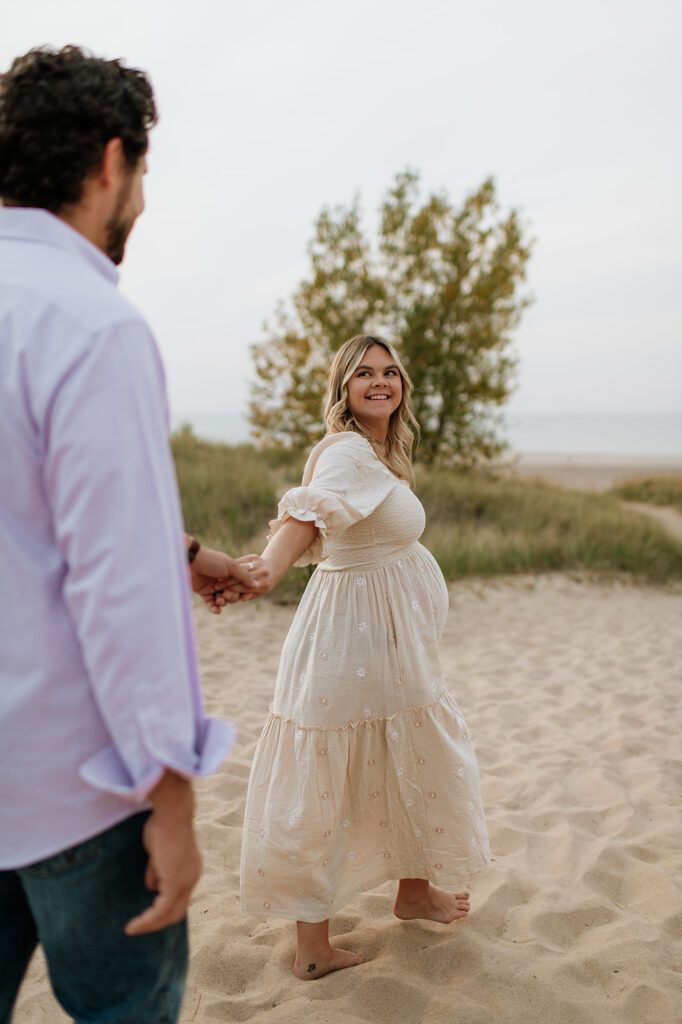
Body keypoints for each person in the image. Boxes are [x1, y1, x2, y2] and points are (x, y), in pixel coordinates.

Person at [0, 45, 266, 1022]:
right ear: (109, 162)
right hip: (70, 788)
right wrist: (171, 797)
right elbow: (114, 592)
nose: (142, 200)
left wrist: (184, 555)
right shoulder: (89, 326)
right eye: (143, 173)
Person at [236, 334, 490, 980]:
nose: (380, 382)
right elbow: (307, 520)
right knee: (328, 777)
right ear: (343, 390)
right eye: (363, 374)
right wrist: (265, 570)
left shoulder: (379, 454)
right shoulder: (346, 450)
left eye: (390, 372)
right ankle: (313, 948)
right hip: (349, 641)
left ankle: (412, 891)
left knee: (406, 754)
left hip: (387, 645)